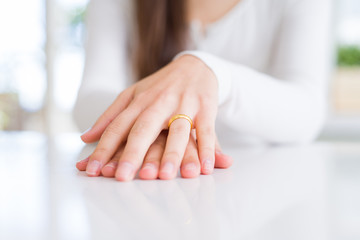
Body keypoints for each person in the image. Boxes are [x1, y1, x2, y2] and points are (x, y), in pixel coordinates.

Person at [74, 0, 332, 181]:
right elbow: (89, 100)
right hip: (156, 182)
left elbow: (307, 108)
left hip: (262, 181)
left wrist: (215, 75)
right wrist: (156, 122)